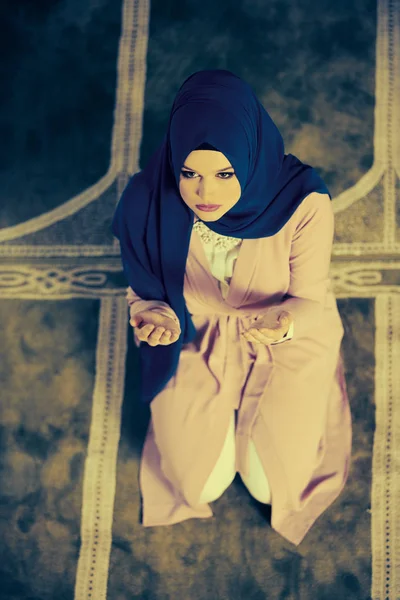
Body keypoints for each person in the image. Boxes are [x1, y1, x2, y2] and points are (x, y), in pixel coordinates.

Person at [111, 69, 352, 546]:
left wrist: (283, 323)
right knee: (198, 482)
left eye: (225, 174)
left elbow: (308, 299)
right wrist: (158, 316)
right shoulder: (146, 202)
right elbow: (147, 293)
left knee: (275, 483)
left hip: (285, 333)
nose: (206, 194)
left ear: (249, 158)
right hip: (195, 333)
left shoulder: (303, 201)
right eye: (190, 173)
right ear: (175, 163)